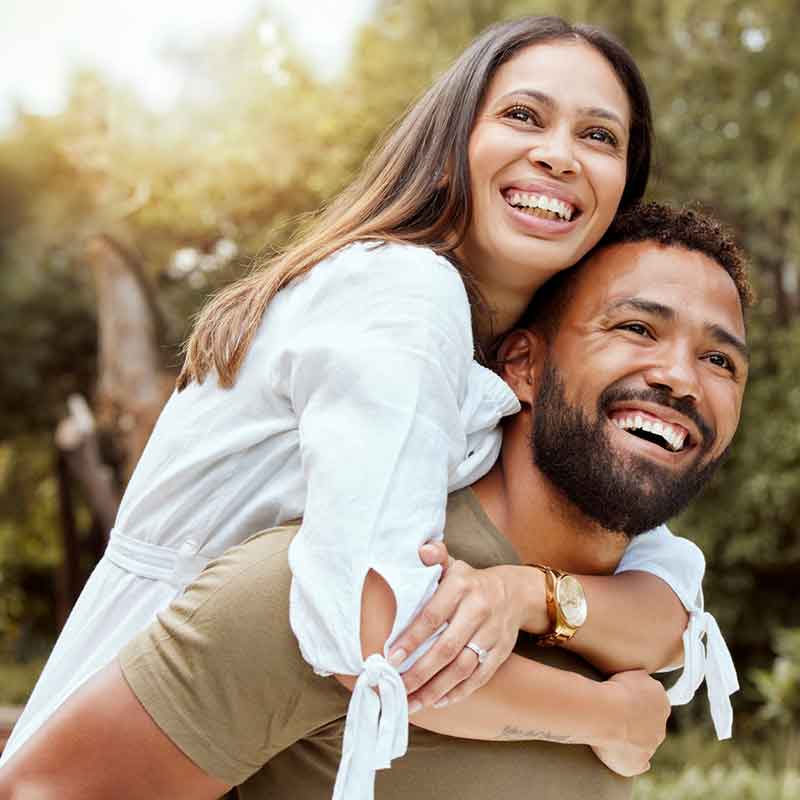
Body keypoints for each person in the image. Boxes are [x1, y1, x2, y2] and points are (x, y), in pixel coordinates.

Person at [0, 16, 730, 793]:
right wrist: (605, 716)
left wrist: (524, 594)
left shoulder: (518, 350)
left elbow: (667, 588)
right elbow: (377, 640)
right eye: (523, 115)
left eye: (599, 136)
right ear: (453, 140)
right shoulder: (404, 295)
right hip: (147, 722)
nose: (557, 153)